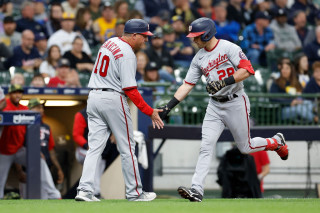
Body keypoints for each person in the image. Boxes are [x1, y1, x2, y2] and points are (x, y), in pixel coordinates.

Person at [156, 18, 289, 202]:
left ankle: (275, 141)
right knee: (206, 146)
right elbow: (187, 85)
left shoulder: (229, 48)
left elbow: (248, 70)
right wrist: (169, 106)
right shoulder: (199, 58)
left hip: (236, 101)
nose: (193, 40)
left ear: (207, 34)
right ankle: (197, 189)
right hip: (215, 105)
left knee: (245, 147)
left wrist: (223, 82)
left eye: (196, 36)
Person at [75, 19, 164, 202]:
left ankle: (84, 190)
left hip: (94, 97)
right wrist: (149, 111)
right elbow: (130, 90)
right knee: (128, 148)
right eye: (144, 36)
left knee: (94, 149)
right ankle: (135, 193)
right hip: (112, 98)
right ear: (134, 35)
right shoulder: (128, 53)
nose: (146, 40)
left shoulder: (110, 42)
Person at [0, 85, 61, 199]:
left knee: (39, 161)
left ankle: (54, 194)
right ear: (9, 94)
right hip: (4, 150)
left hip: (19, 149)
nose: (17, 95)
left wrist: (35, 151)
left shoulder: (24, 109)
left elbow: (31, 130)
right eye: (14, 92)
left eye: (19, 92)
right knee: (1, 180)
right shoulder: (4, 106)